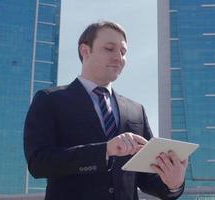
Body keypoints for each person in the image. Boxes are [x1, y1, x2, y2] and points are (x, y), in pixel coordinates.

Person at [24, 21, 188, 200]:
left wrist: (173, 183)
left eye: (123, 52)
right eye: (110, 48)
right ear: (85, 51)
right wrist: (105, 151)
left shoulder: (136, 110)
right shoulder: (50, 100)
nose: (119, 57)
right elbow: (39, 163)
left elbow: (145, 177)